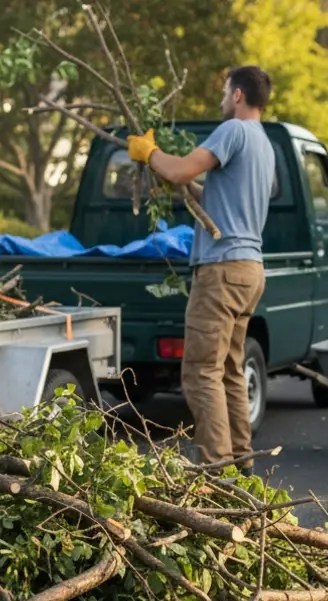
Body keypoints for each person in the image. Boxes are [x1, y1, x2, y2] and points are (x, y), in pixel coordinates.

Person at [126, 65, 275, 471]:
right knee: (228, 370)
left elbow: (178, 168)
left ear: (239, 95)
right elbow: (211, 192)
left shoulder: (234, 130)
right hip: (249, 271)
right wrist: (181, 181)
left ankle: (215, 471)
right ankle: (242, 463)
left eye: (226, 91)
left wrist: (149, 153)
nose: (223, 99)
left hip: (221, 271)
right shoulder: (264, 143)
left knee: (199, 372)